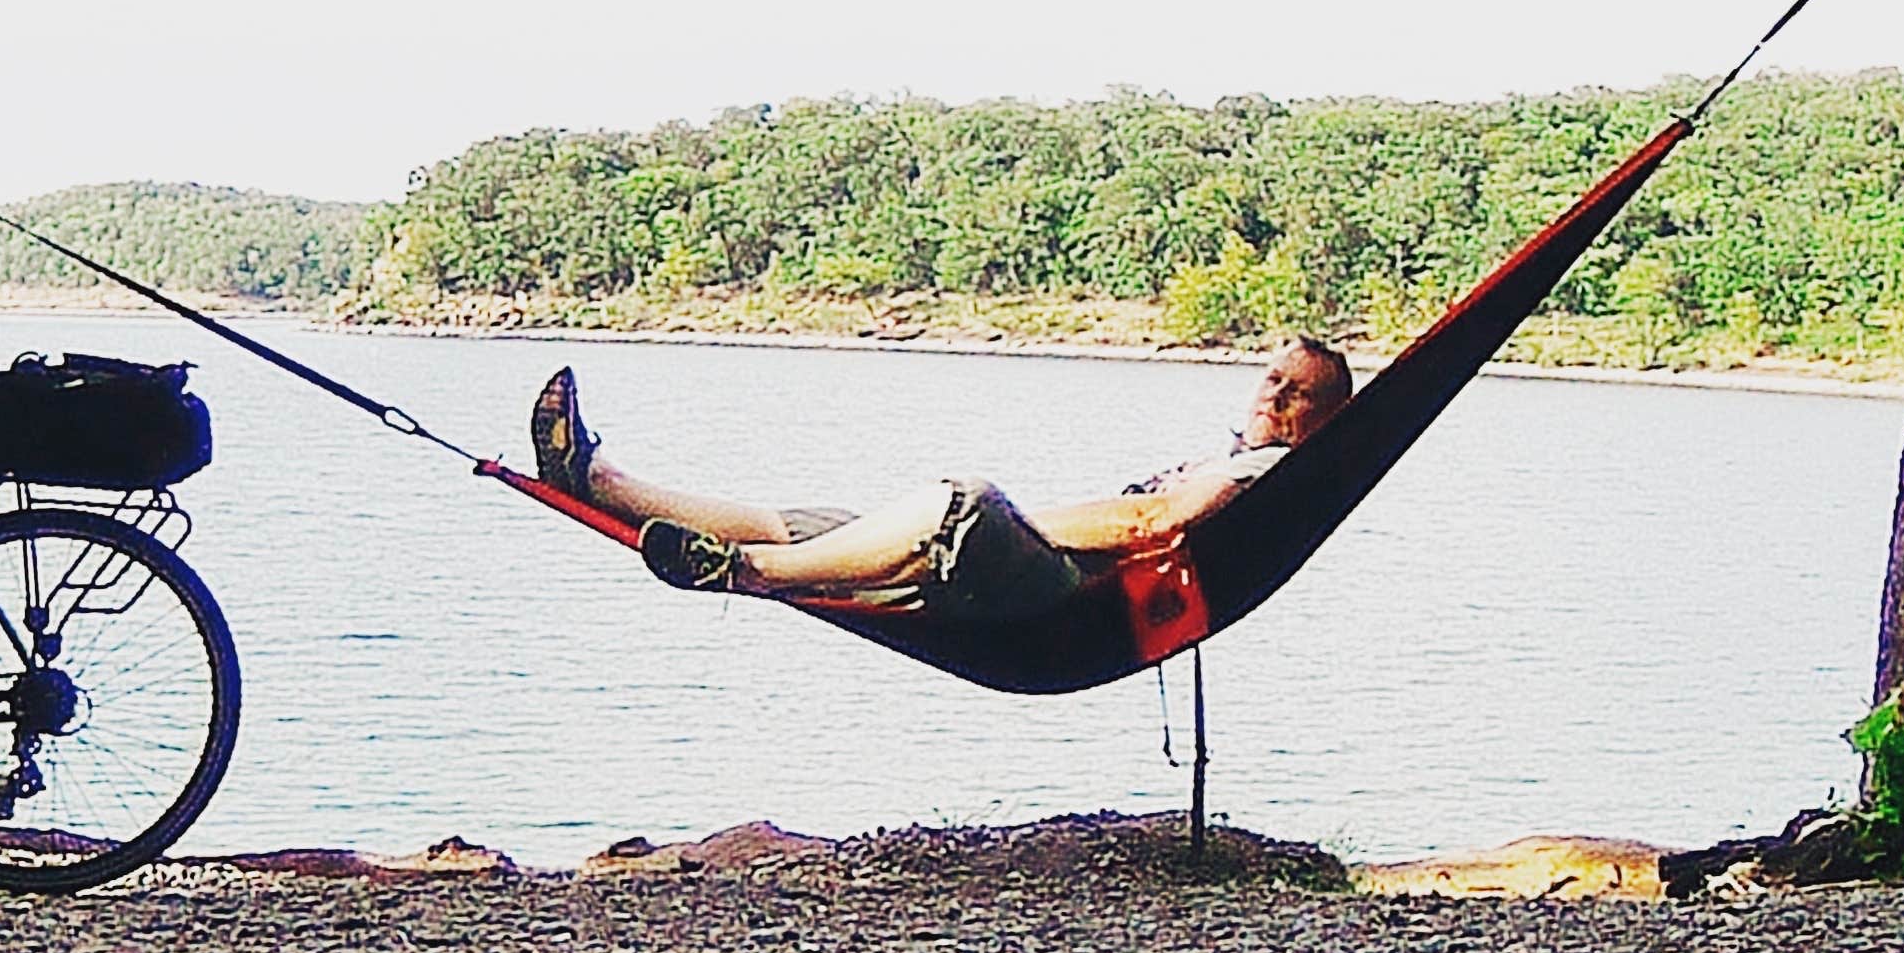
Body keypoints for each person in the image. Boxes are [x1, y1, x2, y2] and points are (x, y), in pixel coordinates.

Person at [528, 337, 1356, 620]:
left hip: (1070, 603)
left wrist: (1026, 531)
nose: (1272, 394)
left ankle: (742, 573)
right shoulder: (1244, 457)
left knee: (963, 505)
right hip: (1057, 587)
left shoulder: (1264, 470)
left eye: (1295, 392)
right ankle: (597, 482)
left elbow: (1153, 525)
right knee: (825, 525)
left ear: (1321, 420)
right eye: (1270, 378)